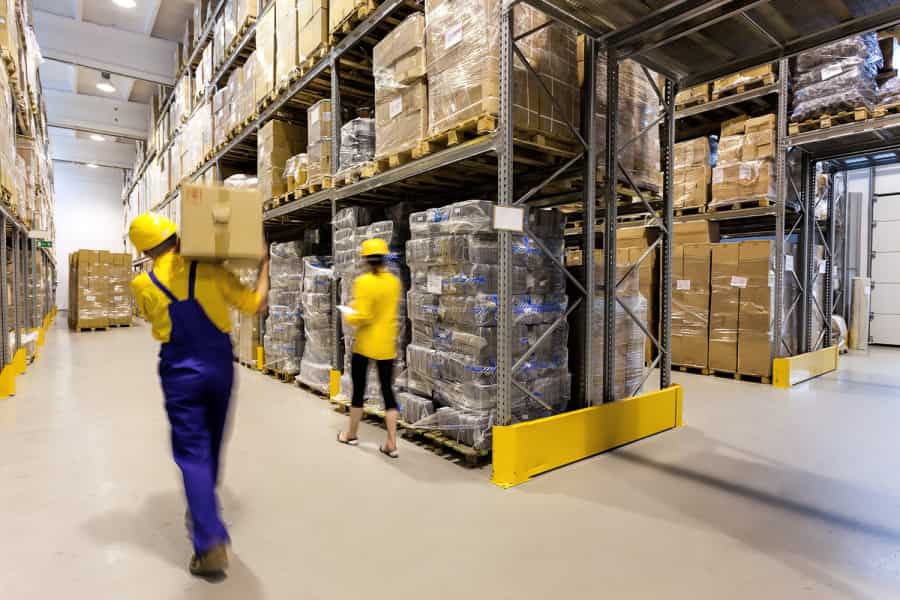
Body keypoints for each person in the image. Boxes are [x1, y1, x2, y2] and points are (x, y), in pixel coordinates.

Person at [128, 213, 269, 577]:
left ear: (144, 249)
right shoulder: (210, 271)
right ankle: (203, 502)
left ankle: (209, 544)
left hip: (179, 371)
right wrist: (264, 265)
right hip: (219, 365)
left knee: (192, 453)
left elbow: (147, 317)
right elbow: (255, 305)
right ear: (177, 238)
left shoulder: (142, 284)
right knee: (214, 441)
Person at [337, 238, 402, 457]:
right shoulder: (394, 282)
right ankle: (391, 443)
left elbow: (363, 316)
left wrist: (349, 313)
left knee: (359, 391)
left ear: (366, 260)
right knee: (387, 392)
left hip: (365, 345)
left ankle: (351, 434)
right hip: (386, 345)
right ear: (384, 258)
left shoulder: (363, 282)